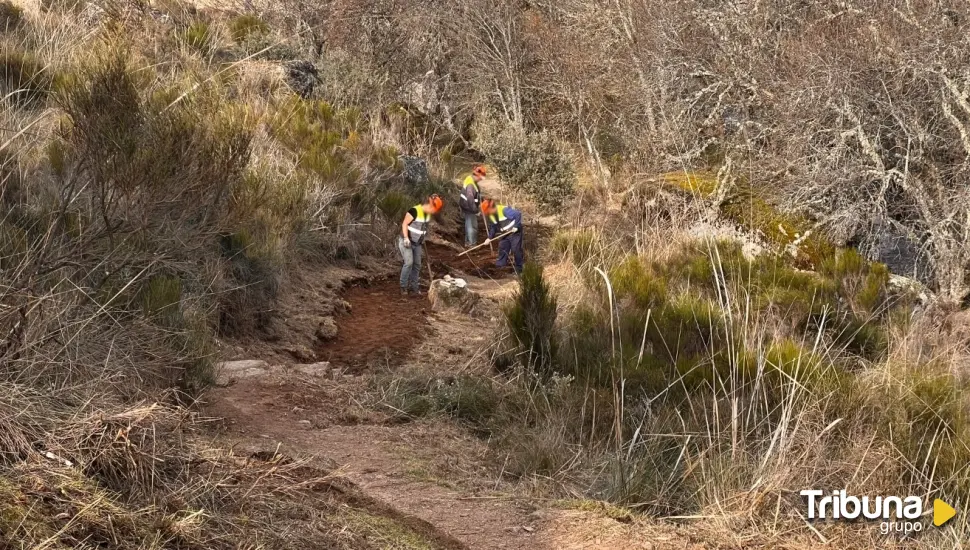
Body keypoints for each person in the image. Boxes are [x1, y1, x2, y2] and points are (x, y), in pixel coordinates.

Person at [399, 194, 443, 296]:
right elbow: (404, 223)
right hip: (407, 241)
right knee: (409, 263)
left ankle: (414, 287)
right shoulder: (414, 211)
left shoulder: (427, 214)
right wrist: (406, 238)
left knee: (417, 264)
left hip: (417, 243)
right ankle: (403, 287)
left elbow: (422, 227)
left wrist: (422, 238)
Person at [481, 198, 524, 274]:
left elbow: (518, 214)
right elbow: (493, 227)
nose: (487, 213)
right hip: (505, 233)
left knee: (516, 250)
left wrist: (516, 226)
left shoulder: (504, 210)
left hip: (514, 232)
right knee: (502, 246)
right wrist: (489, 238)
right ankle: (500, 266)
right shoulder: (491, 216)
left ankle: (519, 269)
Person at [459, 165, 486, 247]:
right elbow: (470, 199)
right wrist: (476, 211)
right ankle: (472, 244)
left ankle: (468, 242)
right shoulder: (470, 184)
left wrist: (482, 199)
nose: (481, 180)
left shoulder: (471, 180)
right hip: (469, 207)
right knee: (472, 226)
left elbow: (476, 194)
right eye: (481, 178)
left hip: (466, 206)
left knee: (468, 224)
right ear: (477, 176)